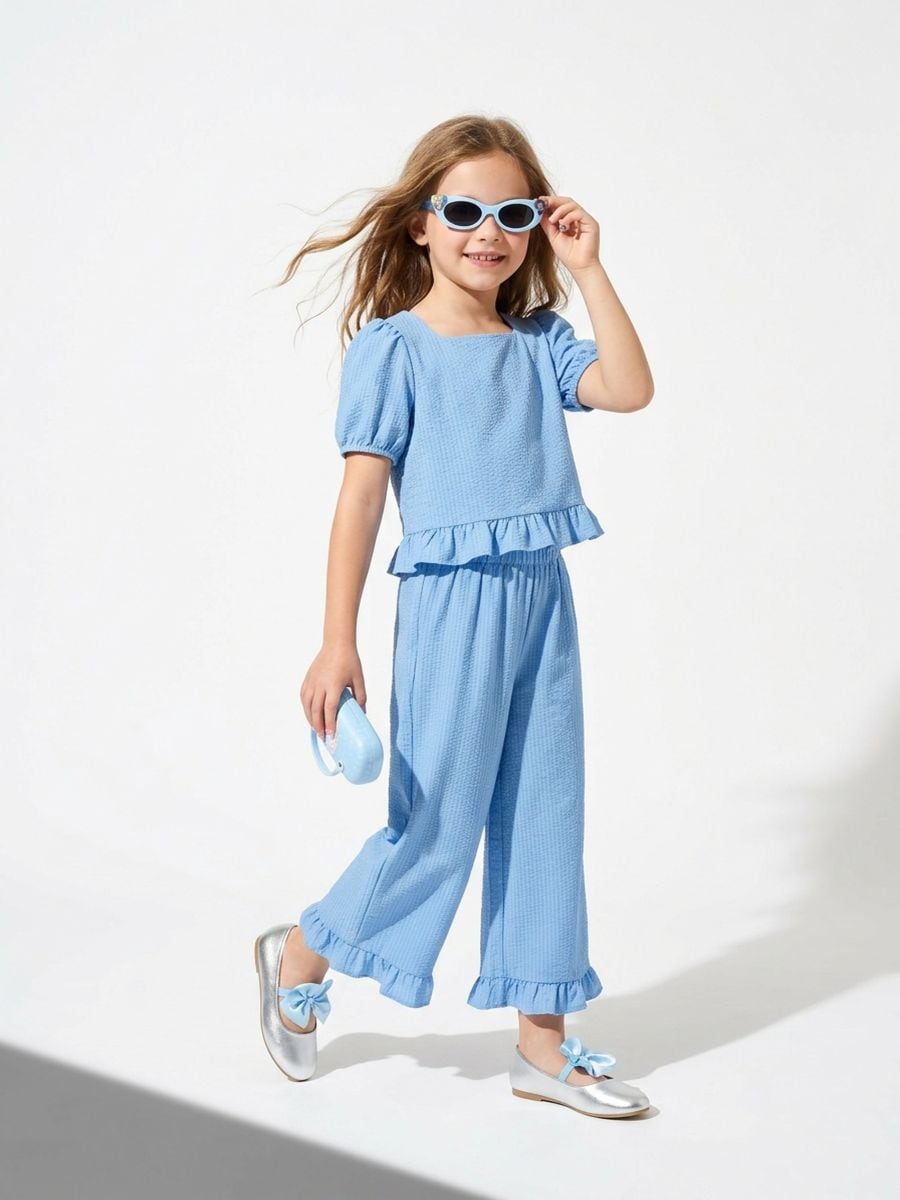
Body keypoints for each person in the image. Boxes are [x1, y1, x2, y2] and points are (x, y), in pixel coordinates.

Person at [254, 114, 655, 1118]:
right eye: (466, 210)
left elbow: (630, 388)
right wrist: (337, 640)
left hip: (542, 601)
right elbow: (359, 499)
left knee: (546, 814)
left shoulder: (541, 343)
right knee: (436, 824)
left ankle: (542, 1047)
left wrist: (589, 268)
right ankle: (301, 951)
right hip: (450, 607)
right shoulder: (393, 349)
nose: (490, 232)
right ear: (422, 224)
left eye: (513, 215)